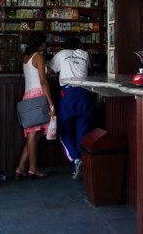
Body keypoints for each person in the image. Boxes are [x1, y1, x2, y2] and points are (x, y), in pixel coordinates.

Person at [47, 36, 94, 180]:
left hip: (68, 94)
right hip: (84, 94)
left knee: (62, 130)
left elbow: (48, 71)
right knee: (83, 131)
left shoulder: (61, 54)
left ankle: (76, 159)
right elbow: (89, 69)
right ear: (79, 44)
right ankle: (82, 166)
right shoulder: (85, 54)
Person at [15, 31, 55, 179]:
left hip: (28, 96)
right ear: (41, 43)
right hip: (38, 96)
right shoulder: (39, 56)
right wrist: (51, 103)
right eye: (44, 42)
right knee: (33, 134)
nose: (45, 45)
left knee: (35, 135)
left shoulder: (26, 57)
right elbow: (43, 81)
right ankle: (32, 168)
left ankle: (20, 167)